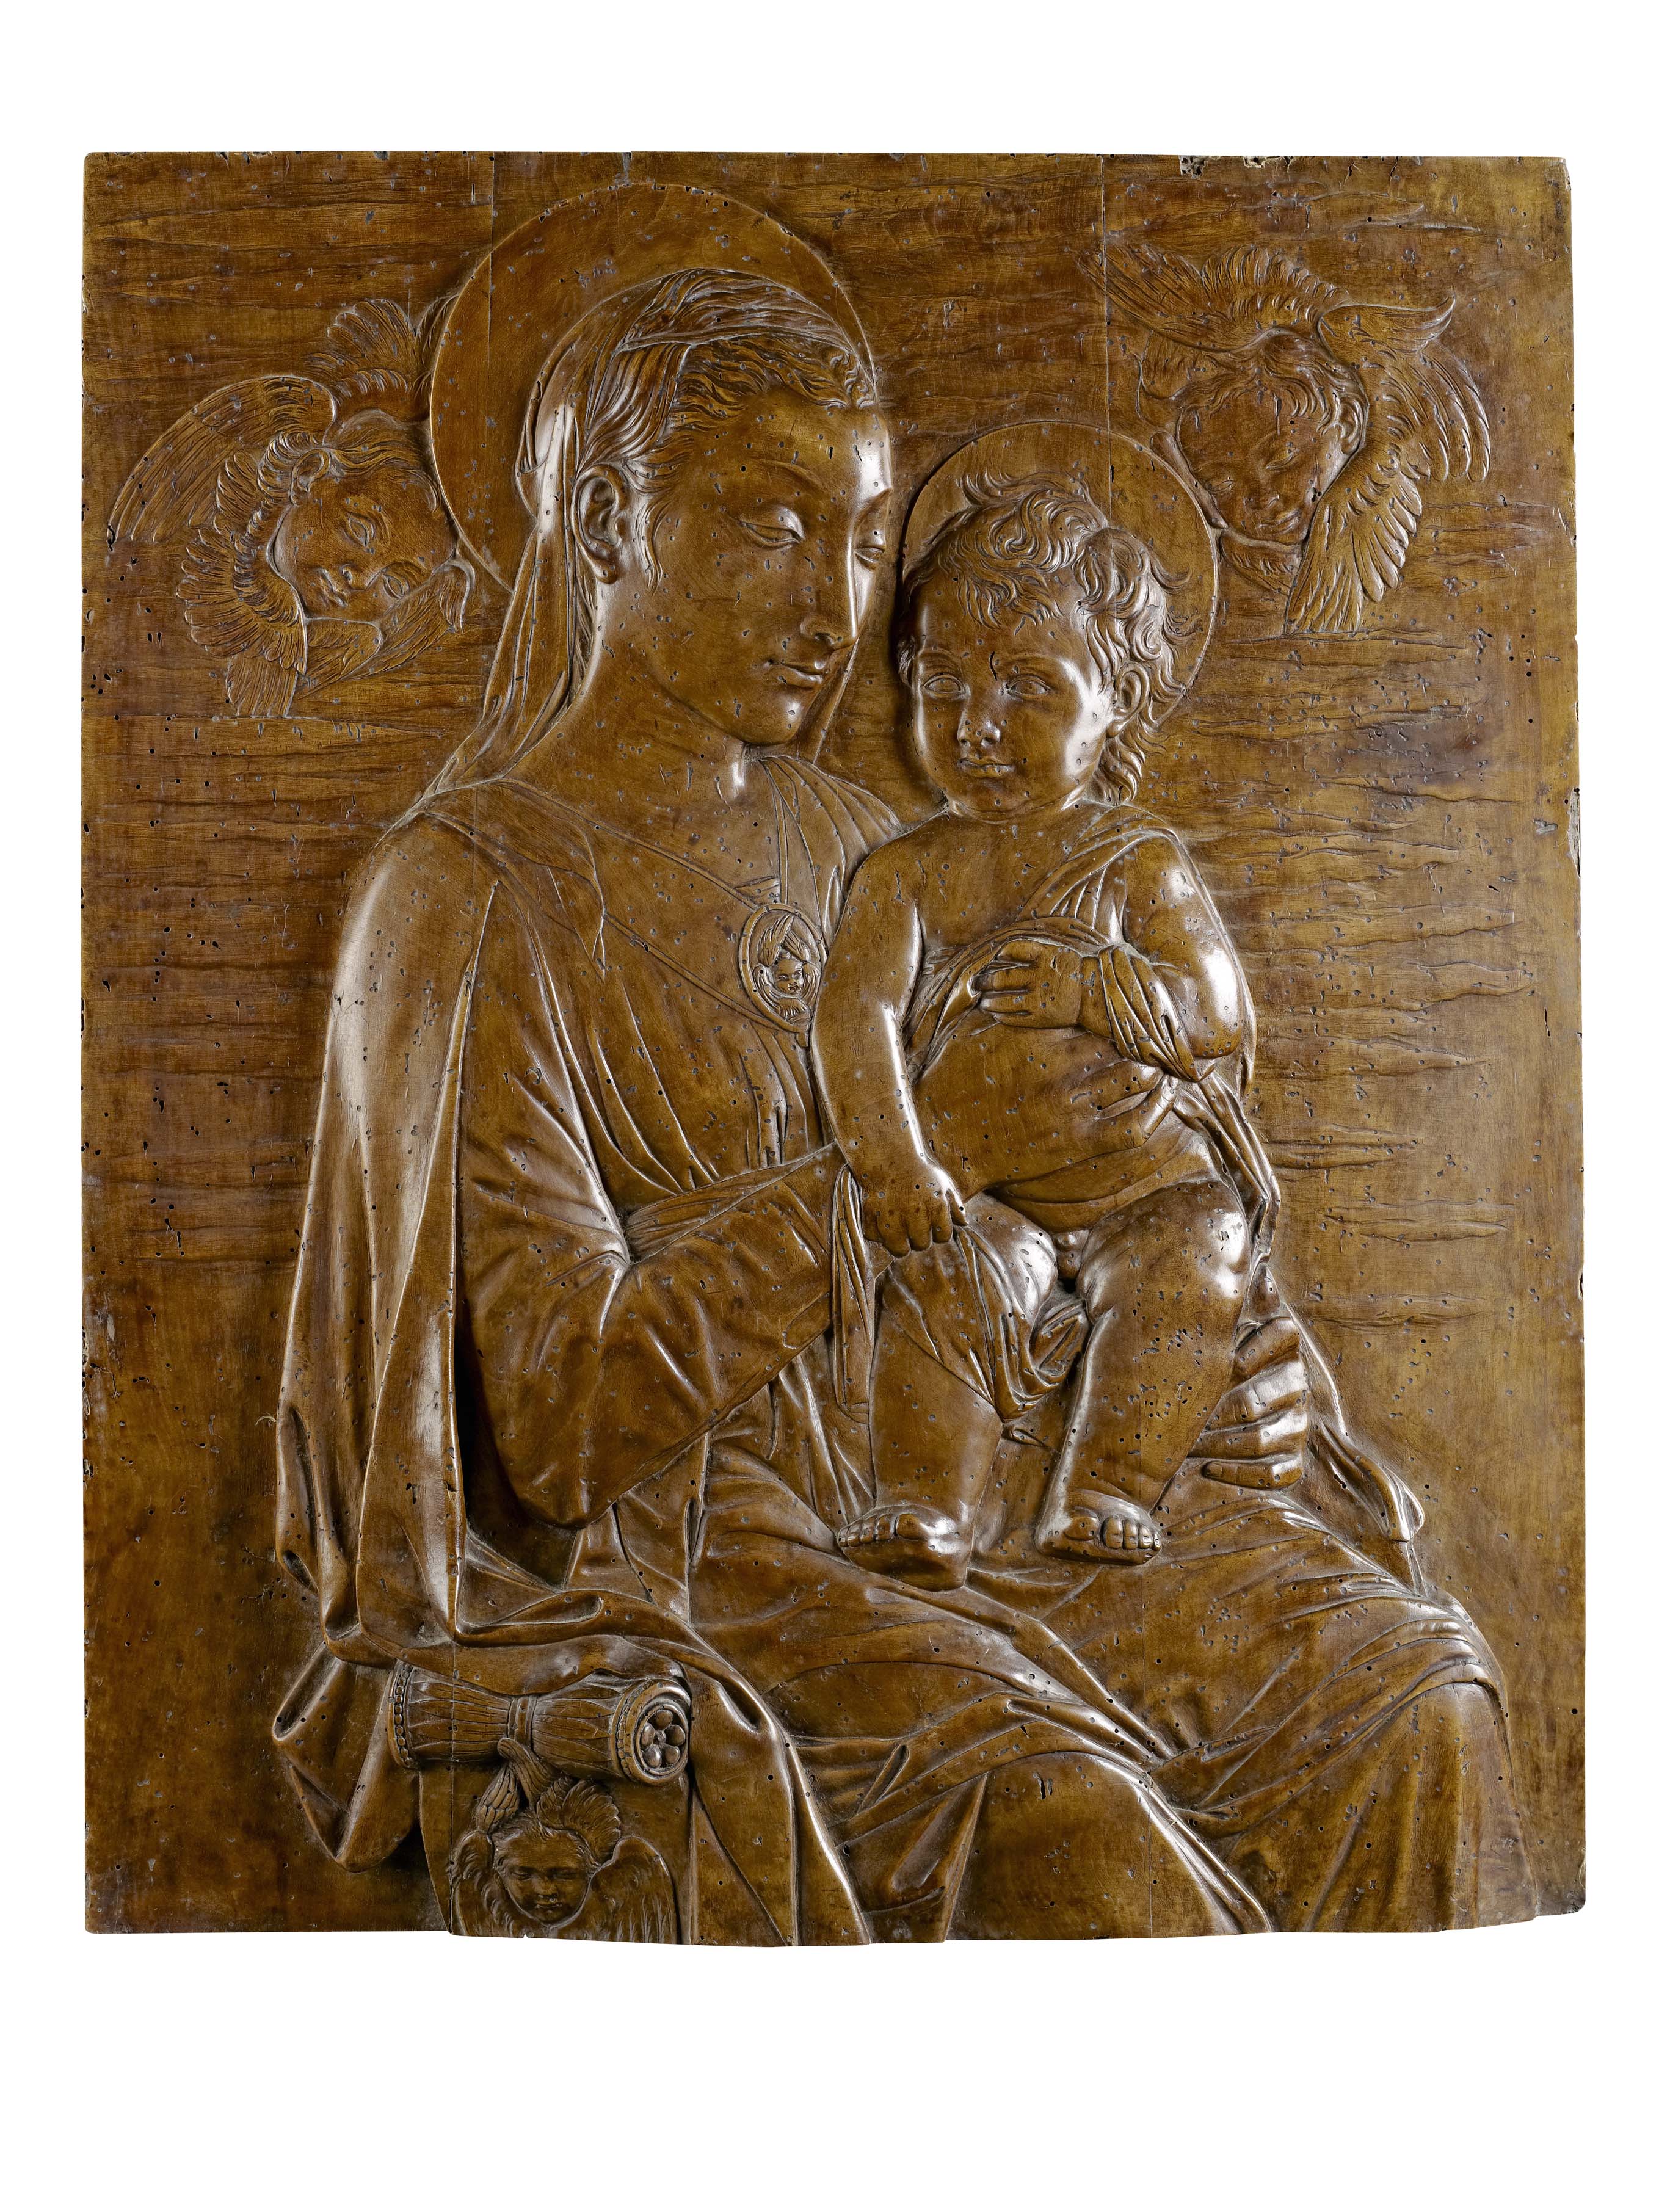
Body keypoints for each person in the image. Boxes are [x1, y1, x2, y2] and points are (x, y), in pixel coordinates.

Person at [274, 189, 1535, 1937]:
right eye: (772, 523)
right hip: (726, 1562)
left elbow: (1098, 1182)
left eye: (866, 540)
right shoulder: (470, 899)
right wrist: (907, 1156)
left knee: (1413, 1690)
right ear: (606, 519)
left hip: (990, 1482)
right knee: (1072, 1828)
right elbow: (558, 1433)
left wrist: (1242, 1381)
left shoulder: (879, 843)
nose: (834, 604)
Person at [815, 473, 1272, 1588]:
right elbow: (856, 1017)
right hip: (986, 1193)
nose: (976, 725)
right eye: (942, 684)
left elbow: (1216, 1011)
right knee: (948, 1272)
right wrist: (895, 1164)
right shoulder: (903, 876)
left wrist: (1095, 990)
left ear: (1117, 700)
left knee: (1199, 1250)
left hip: (1143, 1187)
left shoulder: (1137, 861)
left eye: (1027, 686)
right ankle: (926, 1502)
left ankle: (1108, 1484)